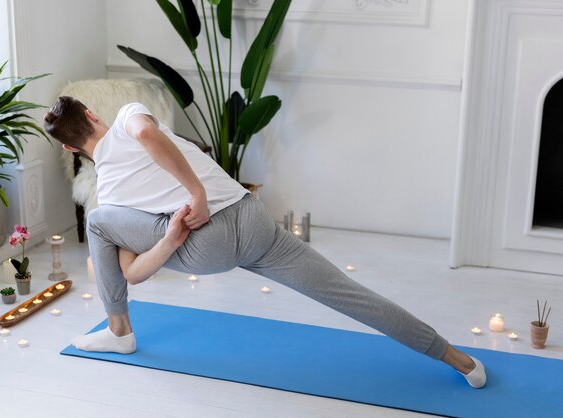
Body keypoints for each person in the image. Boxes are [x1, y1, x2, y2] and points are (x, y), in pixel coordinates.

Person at [43, 97, 487, 389]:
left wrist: (177, 226)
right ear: (93, 115)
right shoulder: (126, 114)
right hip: (252, 216)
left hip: (207, 245)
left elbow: (133, 274)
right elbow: (144, 131)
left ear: (69, 149)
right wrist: (193, 200)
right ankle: (459, 360)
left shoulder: (112, 196)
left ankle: (120, 331)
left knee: (99, 222)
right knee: (351, 296)